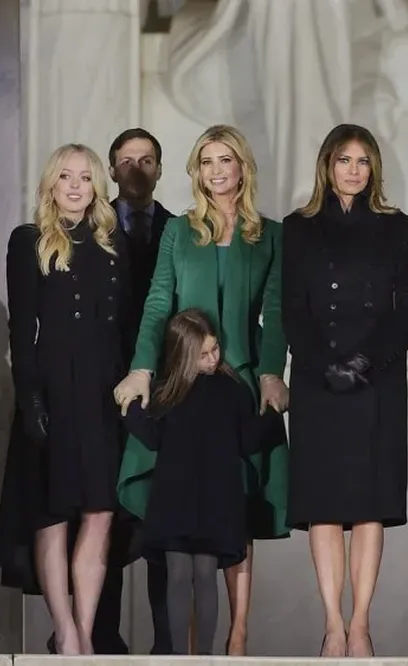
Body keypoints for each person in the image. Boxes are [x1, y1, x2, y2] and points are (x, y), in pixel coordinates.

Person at [113, 124, 290, 655]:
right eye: (206, 161)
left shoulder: (272, 234)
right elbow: (157, 302)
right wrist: (143, 368)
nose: (216, 171)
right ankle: (183, 646)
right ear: (197, 171)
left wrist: (270, 372)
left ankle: (236, 634)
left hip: (239, 384)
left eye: (225, 160)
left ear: (242, 168)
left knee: (236, 510)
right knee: (177, 513)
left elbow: (276, 312)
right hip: (180, 382)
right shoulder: (178, 231)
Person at [281, 124, 408, 658]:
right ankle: (331, 624)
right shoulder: (298, 227)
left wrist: (367, 360)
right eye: (345, 160)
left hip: (377, 379)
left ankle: (360, 623)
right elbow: (292, 306)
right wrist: (324, 364)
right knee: (324, 507)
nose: (354, 170)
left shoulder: (393, 225)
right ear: (327, 165)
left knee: (368, 506)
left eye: (364, 161)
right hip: (319, 382)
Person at [0, 144, 132, 655]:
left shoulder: (113, 244)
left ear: (97, 185)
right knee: (51, 513)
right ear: (51, 184)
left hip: (102, 393)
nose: (75, 186)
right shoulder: (28, 240)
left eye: (84, 177)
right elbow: (20, 329)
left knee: (100, 512)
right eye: (65, 177)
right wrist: (31, 398)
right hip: (51, 389)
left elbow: (121, 328)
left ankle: (86, 628)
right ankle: (66, 631)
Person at [122, 309, 283, 655]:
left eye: (215, 350)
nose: (212, 359)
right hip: (176, 497)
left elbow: (248, 439)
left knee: (206, 575)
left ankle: (205, 656)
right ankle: (181, 656)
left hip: (216, 498)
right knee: (179, 574)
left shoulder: (232, 390)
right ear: (183, 355)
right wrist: (128, 406)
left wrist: (274, 411)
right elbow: (152, 435)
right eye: (203, 354)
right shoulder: (168, 393)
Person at [96, 127, 177, 656]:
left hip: (166, 391)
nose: (136, 169)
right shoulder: (90, 226)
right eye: (126, 161)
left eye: (146, 160)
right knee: (106, 518)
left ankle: (166, 644)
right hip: (103, 389)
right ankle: (102, 638)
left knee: (160, 521)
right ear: (111, 169)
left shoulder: (179, 228)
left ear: (160, 169)